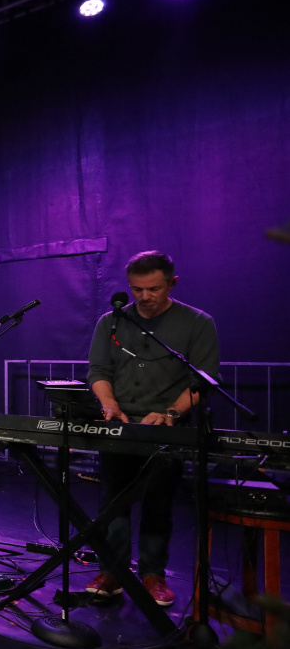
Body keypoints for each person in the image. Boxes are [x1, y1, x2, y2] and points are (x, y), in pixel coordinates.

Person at [84, 251, 219, 607]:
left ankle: (152, 574)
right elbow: (98, 370)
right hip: (119, 425)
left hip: (166, 429)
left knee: (158, 502)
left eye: (153, 289)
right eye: (136, 289)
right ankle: (112, 572)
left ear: (172, 283)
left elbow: (202, 380)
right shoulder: (111, 322)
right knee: (113, 501)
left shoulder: (197, 322)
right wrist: (109, 404)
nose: (144, 296)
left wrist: (170, 412)